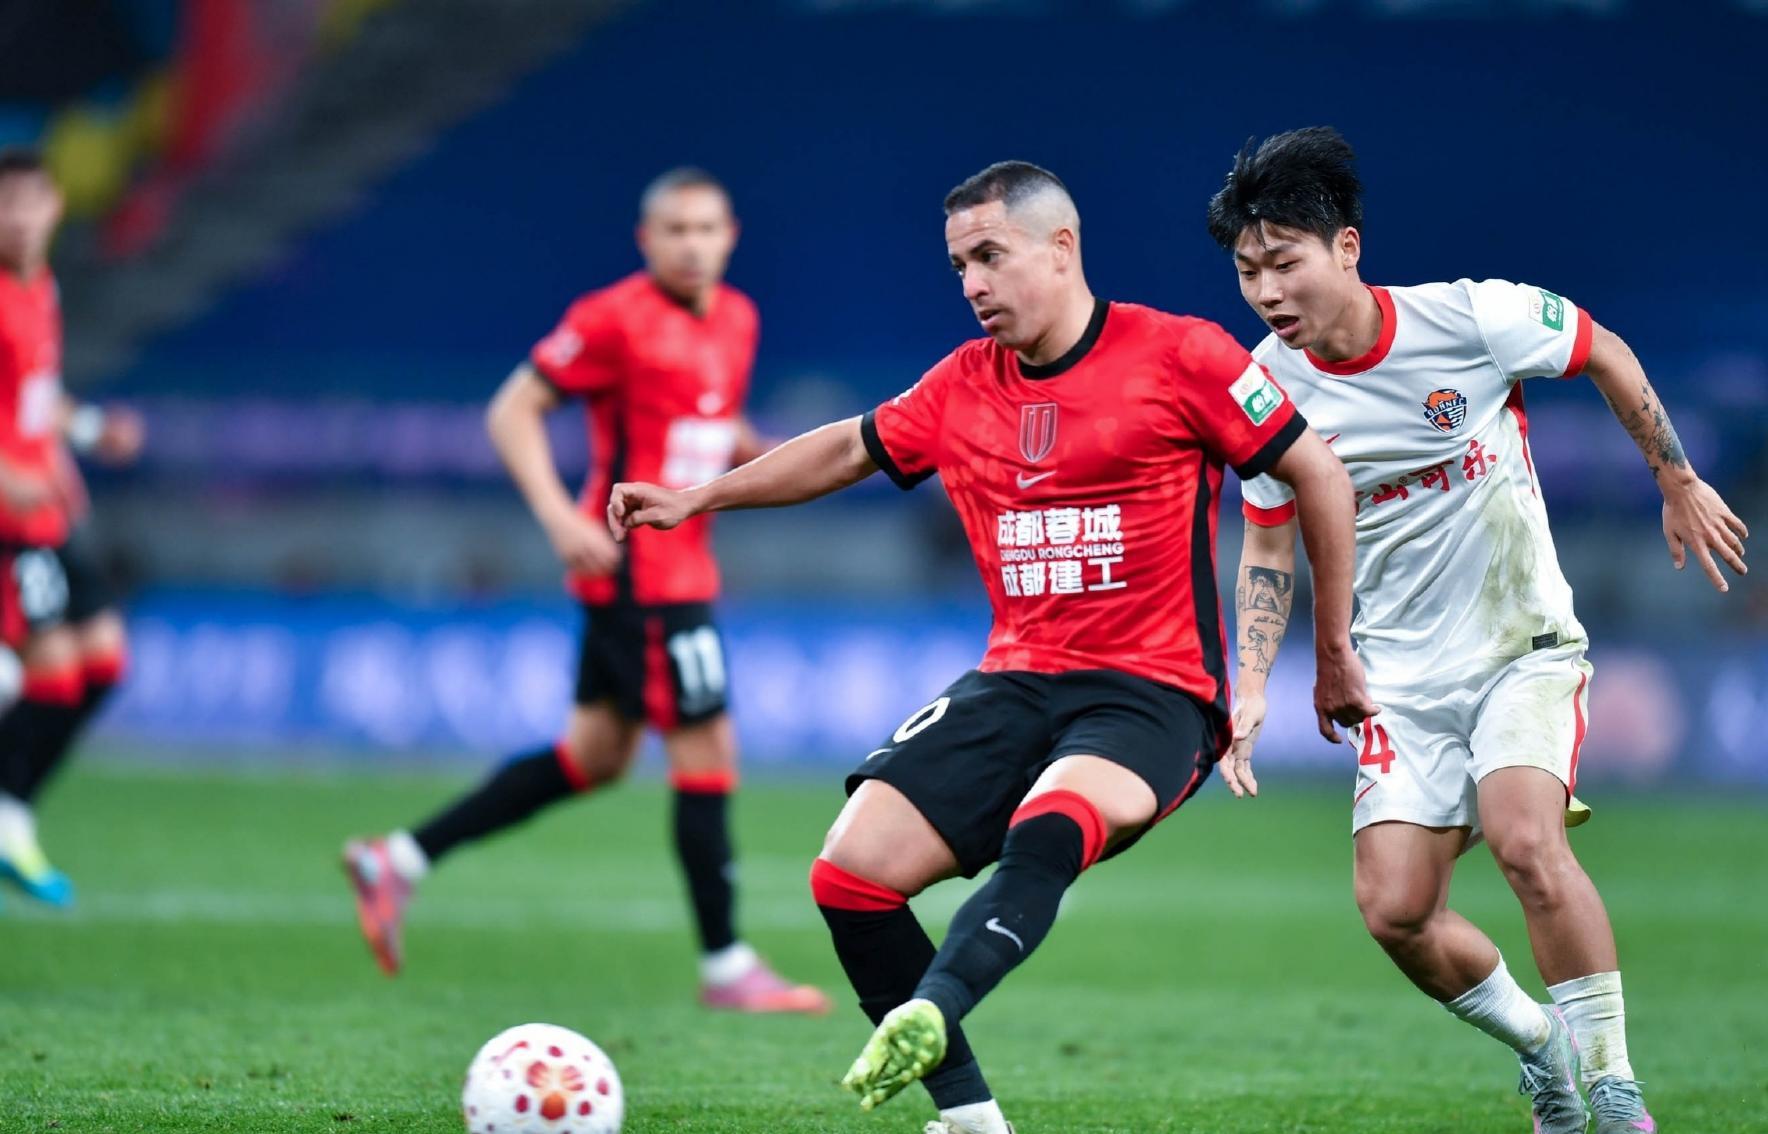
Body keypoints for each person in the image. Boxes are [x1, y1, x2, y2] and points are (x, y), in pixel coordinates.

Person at [610, 160, 1374, 1133]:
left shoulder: (1181, 354)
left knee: (1047, 828)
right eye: (958, 266)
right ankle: (971, 1120)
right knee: (850, 873)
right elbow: (847, 447)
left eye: (988, 256)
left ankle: (935, 1005)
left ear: (1060, 249)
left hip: (1152, 694)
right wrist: (695, 498)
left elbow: (1318, 473)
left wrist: (1333, 650)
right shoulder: (962, 384)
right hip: (1016, 681)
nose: (971, 283)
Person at [1213, 126, 1747, 1134]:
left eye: (1285, 261)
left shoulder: (1470, 319)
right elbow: (1269, 545)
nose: (1268, 291)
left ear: (1347, 248)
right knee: (1395, 910)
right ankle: (1544, 1048)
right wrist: (1249, 685)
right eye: (1248, 271)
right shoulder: (1263, 387)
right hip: (1397, 679)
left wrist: (1674, 479)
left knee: (1524, 840)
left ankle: (1615, 1090)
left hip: (1520, 647)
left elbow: (1604, 350)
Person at [343, 168, 829, 1015]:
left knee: (595, 756)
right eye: (675, 229)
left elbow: (710, 424)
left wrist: (789, 459)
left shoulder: (738, 319)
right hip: (644, 573)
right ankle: (726, 968)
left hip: (679, 569)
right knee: (707, 752)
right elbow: (511, 410)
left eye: (706, 228)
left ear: (730, 237)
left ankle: (400, 860)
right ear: (646, 240)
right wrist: (557, 518)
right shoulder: (611, 318)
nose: (691, 244)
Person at [0, 147, 141, 908]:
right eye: (5, 204)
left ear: (56, 206)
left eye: (31, 201)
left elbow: (35, 399)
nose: (18, 218)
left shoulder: (41, 287)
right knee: (50, 679)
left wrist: (86, 433)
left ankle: (11, 812)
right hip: (8, 523)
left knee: (105, 664)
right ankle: (7, 819)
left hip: (49, 512)